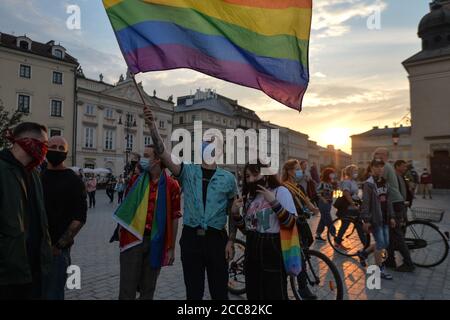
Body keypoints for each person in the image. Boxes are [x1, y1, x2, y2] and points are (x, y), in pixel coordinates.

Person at [143, 106, 237, 300]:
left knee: (220, 292)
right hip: (191, 239)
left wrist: (231, 241)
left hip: (216, 239)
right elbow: (162, 154)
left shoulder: (228, 178)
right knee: (193, 293)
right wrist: (152, 126)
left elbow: (233, 213)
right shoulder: (188, 171)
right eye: (205, 142)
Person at [118, 145, 181, 300]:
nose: (142, 160)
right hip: (133, 239)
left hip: (155, 241)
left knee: (148, 288)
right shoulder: (136, 179)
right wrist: (121, 230)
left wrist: (171, 248)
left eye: (146, 156)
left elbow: (174, 218)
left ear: (157, 160)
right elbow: (126, 207)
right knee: (127, 288)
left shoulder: (172, 185)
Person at [0, 122, 52, 300]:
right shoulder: (2, 169)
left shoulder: (35, 174)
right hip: (8, 274)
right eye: (43, 144)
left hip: (33, 268)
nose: (46, 150)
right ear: (26, 141)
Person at [231, 160, 297, 300]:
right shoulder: (251, 198)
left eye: (255, 175)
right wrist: (236, 215)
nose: (251, 180)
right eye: (248, 176)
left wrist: (274, 202)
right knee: (254, 294)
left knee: (275, 294)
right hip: (252, 251)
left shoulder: (281, 191)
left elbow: (290, 223)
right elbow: (247, 230)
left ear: (266, 175)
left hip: (272, 251)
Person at [41, 136, 87, 299]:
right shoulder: (38, 176)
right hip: (34, 248)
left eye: (61, 148)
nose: (57, 150)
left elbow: (80, 218)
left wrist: (59, 245)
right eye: (53, 146)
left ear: (66, 153)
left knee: (53, 293)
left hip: (57, 252)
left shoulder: (74, 180)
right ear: (46, 149)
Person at [280, 159, 319, 300]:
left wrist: (314, 208)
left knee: (304, 251)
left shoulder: (299, 187)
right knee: (300, 254)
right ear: (289, 171)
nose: (299, 171)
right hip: (291, 224)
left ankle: (301, 285)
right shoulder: (284, 187)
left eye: (299, 169)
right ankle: (302, 288)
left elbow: (307, 201)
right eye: (296, 169)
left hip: (301, 223)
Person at [373, 148, 414, 272]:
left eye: (377, 154)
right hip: (393, 202)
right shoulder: (387, 166)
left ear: (384, 155)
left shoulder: (384, 167)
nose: (375, 156)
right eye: (375, 154)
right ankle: (390, 260)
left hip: (394, 203)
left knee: (396, 234)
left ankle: (408, 263)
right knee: (390, 234)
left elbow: (376, 182)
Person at [357, 159, 394, 280]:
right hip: (375, 219)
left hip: (385, 218)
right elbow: (366, 203)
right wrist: (366, 220)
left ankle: (363, 254)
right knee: (380, 244)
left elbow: (389, 201)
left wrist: (392, 216)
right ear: (372, 168)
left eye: (381, 167)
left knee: (385, 243)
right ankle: (380, 269)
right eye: (377, 167)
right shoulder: (369, 184)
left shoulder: (385, 182)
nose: (379, 169)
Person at [333, 165, 367, 251]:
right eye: (354, 171)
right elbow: (346, 193)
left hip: (353, 206)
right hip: (347, 207)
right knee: (345, 225)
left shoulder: (353, 181)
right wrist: (353, 204)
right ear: (349, 172)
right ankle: (337, 242)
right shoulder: (346, 182)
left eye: (356, 171)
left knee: (358, 224)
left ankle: (365, 244)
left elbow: (355, 193)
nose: (356, 173)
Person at [315, 167, 338, 241]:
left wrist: (335, 184)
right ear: (327, 174)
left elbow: (335, 191)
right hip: (323, 203)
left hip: (329, 203)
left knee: (323, 219)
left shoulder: (331, 183)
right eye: (331, 173)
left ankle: (318, 234)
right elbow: (317, 192)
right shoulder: (322, 183)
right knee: (328, 219)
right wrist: (323, 199)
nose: (333, 175)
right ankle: (334, 234)